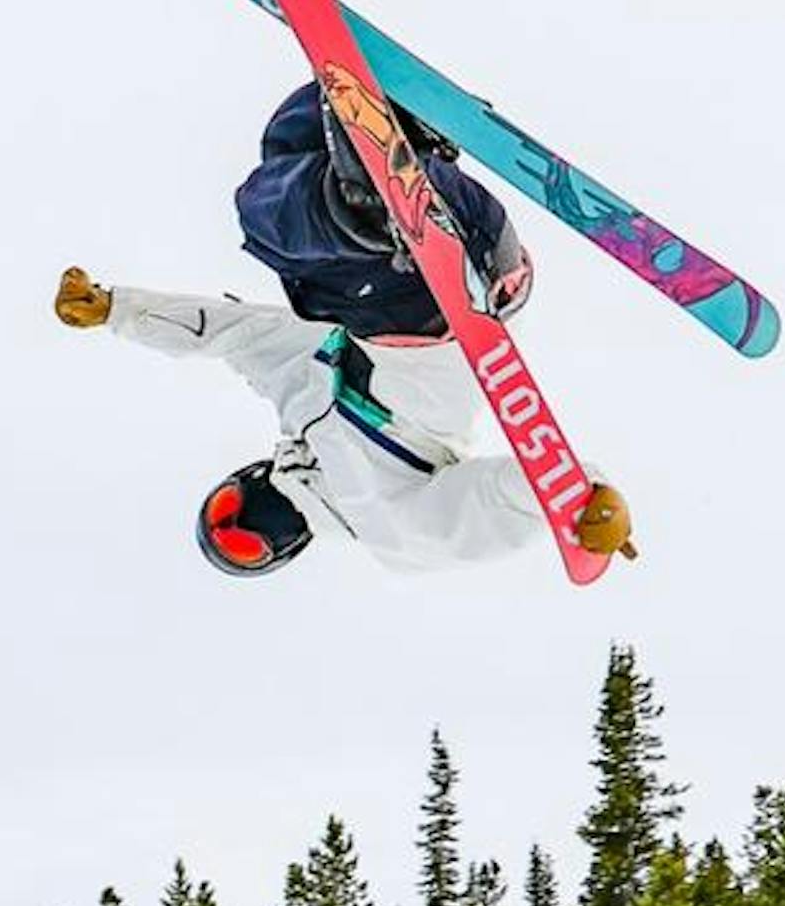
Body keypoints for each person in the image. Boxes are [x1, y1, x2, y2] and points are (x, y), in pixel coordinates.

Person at [57, 83, 636, 577]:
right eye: (242, 542)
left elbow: (226, 331)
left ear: (241, 478)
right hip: (432, 303)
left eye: (225, 512)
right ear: (285, 550)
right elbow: (481, 511)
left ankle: (383, 130)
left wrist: (116, 309)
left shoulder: (299, 397)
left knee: (282, 155)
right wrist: (581, 500)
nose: (243, 518)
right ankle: (373, 190)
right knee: (271, 219)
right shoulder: (383, 529)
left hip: (427, 251)